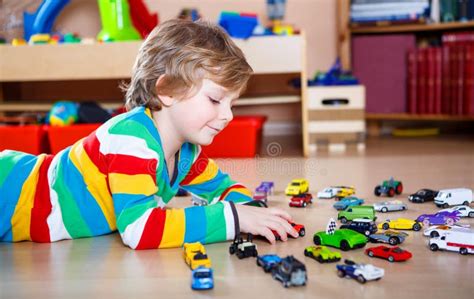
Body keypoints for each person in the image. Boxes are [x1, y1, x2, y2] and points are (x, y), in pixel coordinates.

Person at [0, 19, 298, 249]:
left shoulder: (186, 152)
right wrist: (233, 218)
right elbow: (139, 229)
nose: (228, 115)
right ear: (167, 90)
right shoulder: (131, 139)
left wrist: (254, 212)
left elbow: (223, 187)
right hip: (13, 191)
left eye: (232, 104)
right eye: (215, 99)